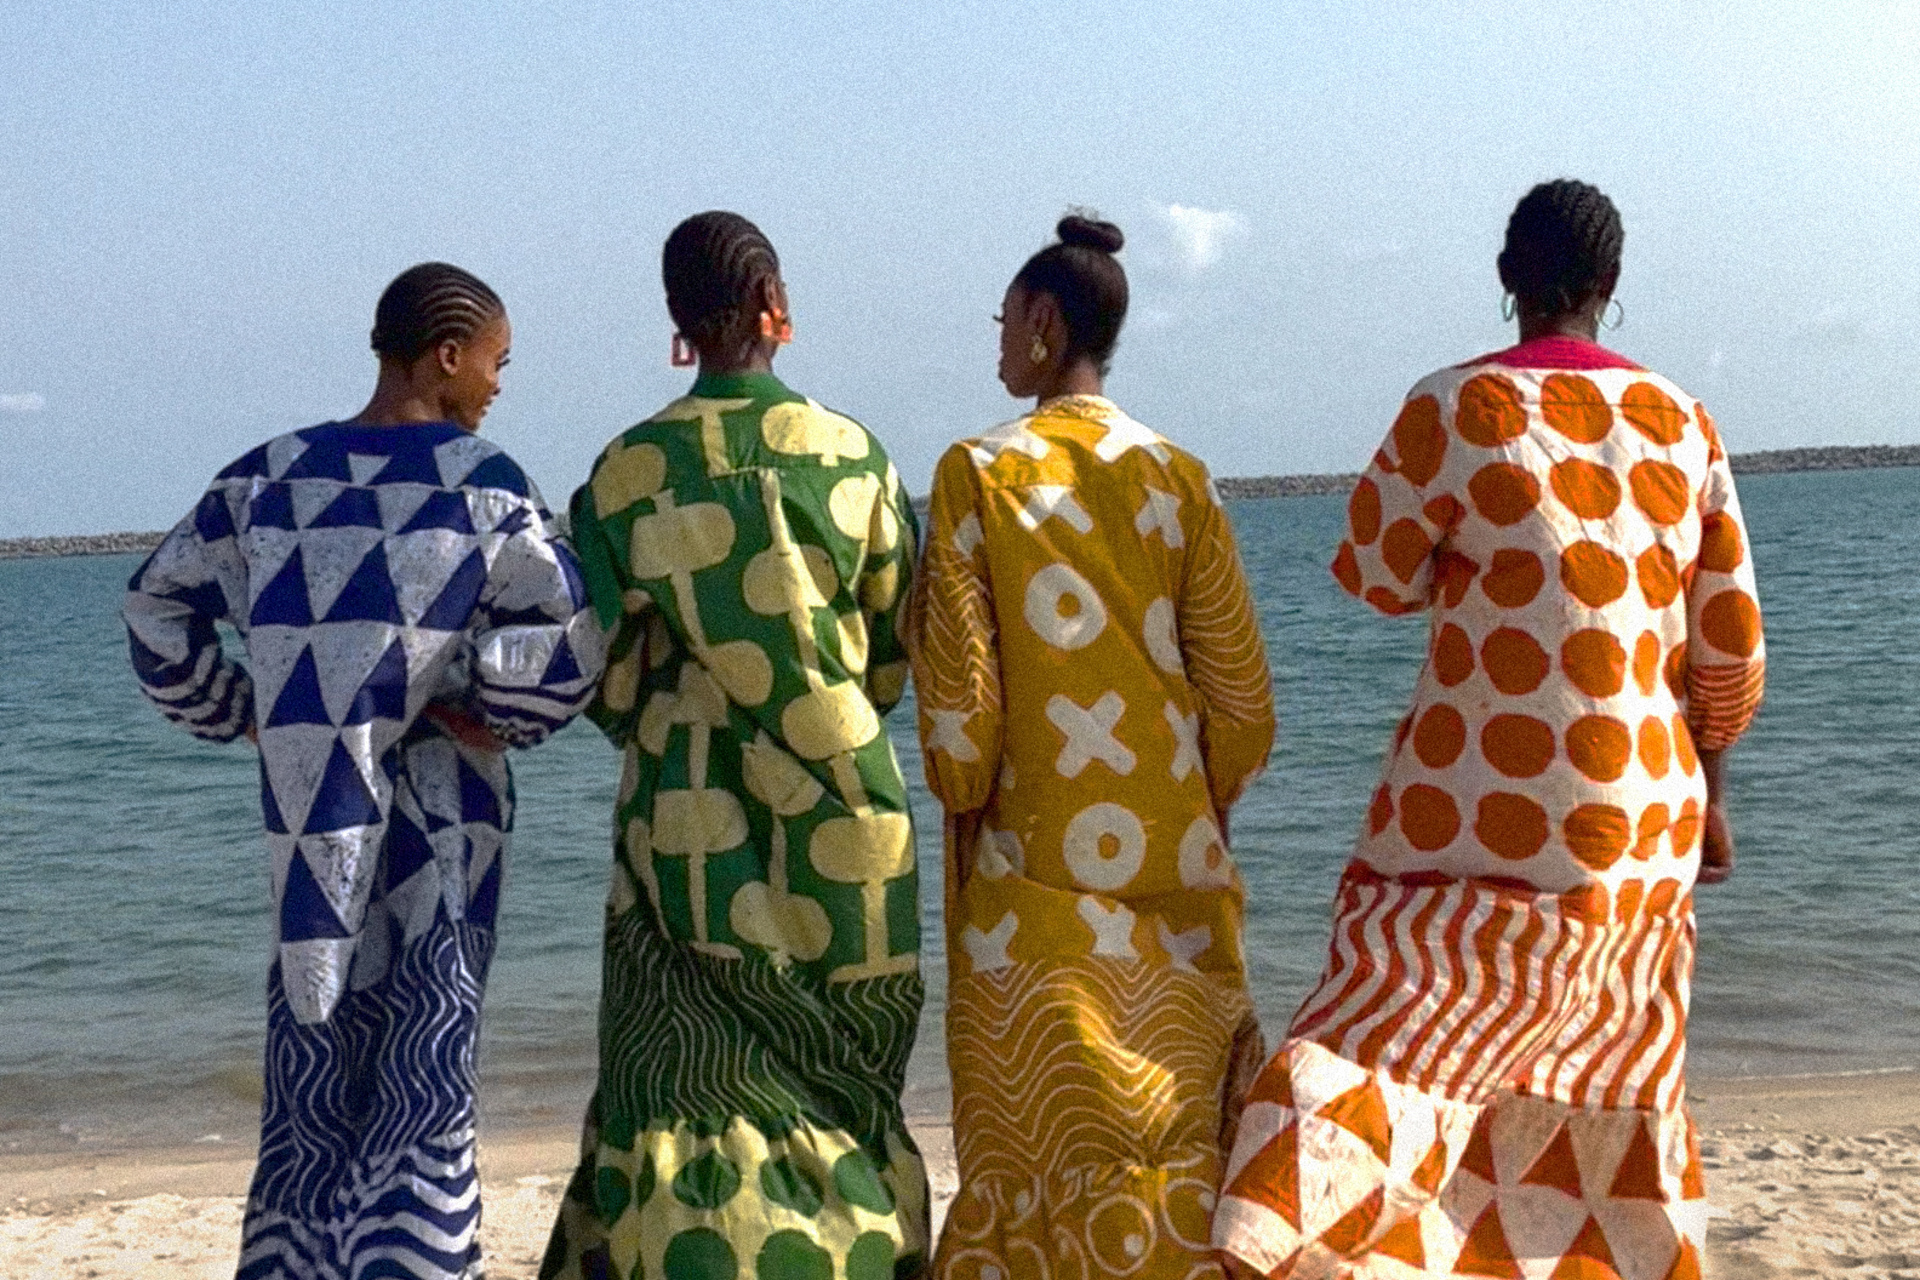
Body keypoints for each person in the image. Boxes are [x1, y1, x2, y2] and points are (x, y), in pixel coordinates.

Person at [1212, 180, 1766, 1277]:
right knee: (1611, 1060)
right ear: (1611, 288)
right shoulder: (1684, 418)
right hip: (1645, 814)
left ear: (1507, 276)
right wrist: (1716, 799)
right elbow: (1729, 647)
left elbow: (1375, 570)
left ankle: (1274, 1232)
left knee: (1372, 1023)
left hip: (1472, 807)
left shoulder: (1455, 407)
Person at [124, 261, 604, 1280]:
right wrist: (478, 695)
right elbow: (569, 645)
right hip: (442, 823)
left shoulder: (268, 476)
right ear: (446, 353)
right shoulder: (480, 482)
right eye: (495, 361)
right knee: (426, 1074)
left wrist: (248, 712)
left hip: (307, 834)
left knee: (309, 1068)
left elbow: (155, 609)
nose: (498, 385)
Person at [539, 211, 928, 1280]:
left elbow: (596, 672)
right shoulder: (855, 455)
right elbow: (895, 655)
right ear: (775, 308)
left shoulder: (625, 473)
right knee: (845, 1082)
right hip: (847, 814)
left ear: (677, 323)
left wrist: (671, 708)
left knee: (678, 1083)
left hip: (682, 821)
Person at [909, 214, 1277, 1279]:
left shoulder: (977, 473)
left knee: (1032, 1174)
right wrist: (1194, 799)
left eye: (1003, 319)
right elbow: (1245, 704)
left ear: (1041, 320)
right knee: (1174, 1157)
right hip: (1179, 888)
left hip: (1028, 901)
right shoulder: (1181, 476)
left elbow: (962, 740)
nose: (995, 341)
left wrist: (970, 782)